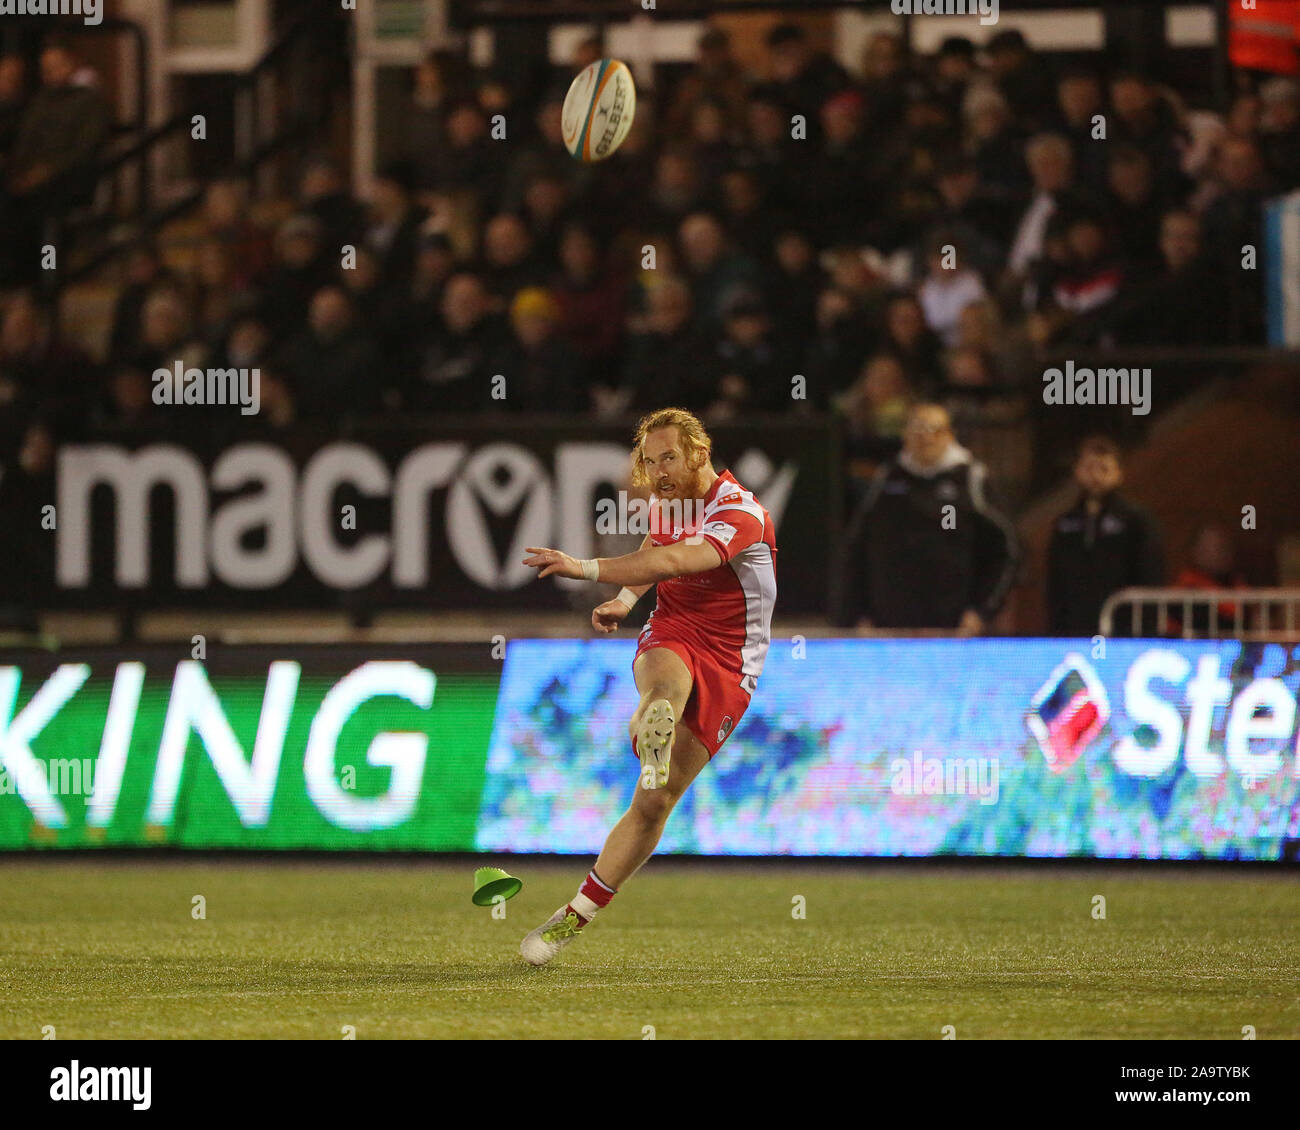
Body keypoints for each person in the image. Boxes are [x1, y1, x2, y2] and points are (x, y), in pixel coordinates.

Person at [517, 408, 777, 966]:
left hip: (733, 661)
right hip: (675, 628)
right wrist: (627, 600)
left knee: (655, 803)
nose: (658, 471)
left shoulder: (742, 513)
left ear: (699, 455)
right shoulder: (666, 504)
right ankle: (653, 725)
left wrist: (585, 569)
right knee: (663, 686)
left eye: (669, 458)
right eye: (650, 460)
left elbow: (678, 557)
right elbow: (654, 562)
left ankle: (574, 916)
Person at [837, 402, 1018, 633]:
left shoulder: (971, 479)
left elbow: (1006, 551)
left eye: (934, 430)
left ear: (949, 435)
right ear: (905, 435)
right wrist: (856, 612)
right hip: (889, 625)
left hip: (953, 626)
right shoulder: (888, 478)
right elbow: (857, 546)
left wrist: (981, 612)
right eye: (917, 429)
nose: (925, 437)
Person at [1046, 435, 1164, 636]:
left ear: (1118, 473)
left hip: (1124, 631)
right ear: (1077, 471)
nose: (1096, 476)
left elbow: (1150, 576)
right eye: (1089, 468)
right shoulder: (1065, 524)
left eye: (1104, 469)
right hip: (1074, 630)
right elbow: (1054, 582)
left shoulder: (1135, 521)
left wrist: (1145, 629)